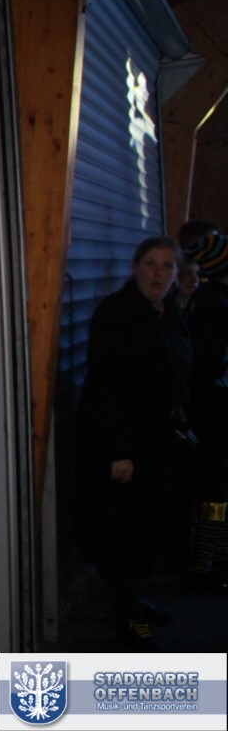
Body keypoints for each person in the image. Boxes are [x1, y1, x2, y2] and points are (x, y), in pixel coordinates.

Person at [73, 236, 193, 647]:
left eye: (167, 266)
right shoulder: (117, 314)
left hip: (158, 442)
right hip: (124, 443)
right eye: (150, 264)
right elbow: (106, 388)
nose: (158, 273)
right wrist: (118, 452)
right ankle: (129, 623)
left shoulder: (171, 313)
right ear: (135, 267)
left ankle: (136, 603)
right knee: (121, 534)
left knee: (145, 529)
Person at [181, 229, 228, 594]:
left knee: (218, 489)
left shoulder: (207, 302)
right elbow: (210, 364)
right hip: (214, 413)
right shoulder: (216, 306)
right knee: (215, 491)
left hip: (210, 411)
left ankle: (216, 560)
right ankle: (203, 567)